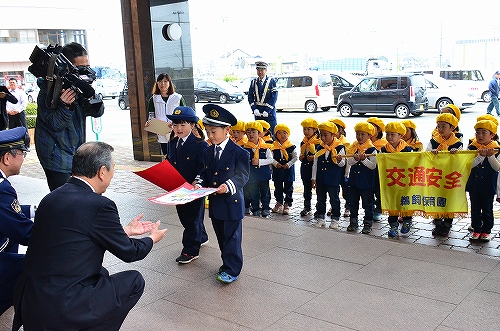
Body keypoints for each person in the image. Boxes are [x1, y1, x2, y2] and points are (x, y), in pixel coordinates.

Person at [12, 141, 167, 331]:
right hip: (63, 303)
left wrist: (123, 231)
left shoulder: (52, 197)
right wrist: (151, 238)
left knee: (102, 273)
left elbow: (75, 234)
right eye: (113, 170)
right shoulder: (99, 205)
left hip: (32, 299)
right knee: (134, 281)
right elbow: (129, 253)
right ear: (102, 172)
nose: (112, 175)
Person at [34, 42, 104, 191]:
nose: (86, 71)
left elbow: (97, 111)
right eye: (81, 68)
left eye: (88, 66)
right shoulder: (49, 90)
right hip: (55, 157)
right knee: (65, 199)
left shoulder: (78, 86)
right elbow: (55, 125)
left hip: (75, 153)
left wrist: (89, 92)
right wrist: (65, 106)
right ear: (67, 68)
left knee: (82, 195)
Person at [195, 104, 250, 284]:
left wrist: (228, 186)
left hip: (232, 203)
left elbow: (243, 176)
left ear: (227, 130)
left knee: (232, 238)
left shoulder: (239, 152)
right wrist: (199, 183)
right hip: (216, 203)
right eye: (208, 132)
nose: (210, 136)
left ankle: (232, 269)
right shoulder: (207, 151)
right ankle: (227, 263)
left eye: (214, 132)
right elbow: (205, 172)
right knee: (221, 236)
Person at [165, 106, 209, 264]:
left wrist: (197, 181)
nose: (178, 128)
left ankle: (190, 250)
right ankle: (201, 236)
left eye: (183, 125)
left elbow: (204, 168)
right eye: (175, 125)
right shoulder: (172, 142)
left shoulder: (200, 145)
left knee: (191, 220)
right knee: (185, 217)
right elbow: (170, 163)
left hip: (194, 190)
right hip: (178, 189)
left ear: (192, 125)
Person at [0, 127, 33, 315]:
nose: (23, 159)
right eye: (21, 154)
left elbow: (8, 212)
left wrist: (37, 210)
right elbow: (24, 233)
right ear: (7, 158)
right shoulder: (2, 188)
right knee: (31, 265)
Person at [426, 113, 463, 237]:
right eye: (438, 126)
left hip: (450, 177)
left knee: (449, 200)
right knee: (437, 198)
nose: (440, 129)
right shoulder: (434, 141)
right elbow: (426, 153)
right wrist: (432, 152)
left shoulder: (457, 143)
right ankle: (437, 222)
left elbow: (461, 160)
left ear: (452, 128)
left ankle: (447, 224)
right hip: (436, 176)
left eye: (443, 126)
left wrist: (456, 153)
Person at [466, 120, 500, 242]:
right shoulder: (472, 147)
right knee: (475, 208)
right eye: (477, 133)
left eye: (483, 133)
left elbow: (497, 168)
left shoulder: (497, 149)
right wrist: (481, 156)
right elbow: (468, 165)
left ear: (492, 135)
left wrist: (490, 156)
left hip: (488, 185)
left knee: (487, 209)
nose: (479, 136)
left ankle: (486, 231)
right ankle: (476, 229)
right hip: (474, 185)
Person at [380, 122, 414, 238]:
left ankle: (407, 220)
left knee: (405, 201)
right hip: (390, 182)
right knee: (392, 203)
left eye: (392, 134)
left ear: (401, 135)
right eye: (387, 134)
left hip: (404, 182)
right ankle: (393, 225)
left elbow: (413, 164)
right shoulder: (384, 149)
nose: (389, 137)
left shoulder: (408, 149)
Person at [312, 121, 345, 229]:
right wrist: (314, 178)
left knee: (334, 199)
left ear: (333, 135)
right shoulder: (319, 147)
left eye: (325, 135)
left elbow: (342, 164)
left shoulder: (339, 147)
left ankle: (335, 218)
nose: (323, 138)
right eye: (321, 135)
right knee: (320, 199)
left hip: (333, 179)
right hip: (321, 178)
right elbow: (315, 164)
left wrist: (340, 160)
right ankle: (321, 218)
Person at [346, 122, 378, 234]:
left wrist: (363, 160)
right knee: (353, 203)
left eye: (362, 134)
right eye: (357, 134)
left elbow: (373, 166)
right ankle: (353, 222)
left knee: (368, 204)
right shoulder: (354, 147)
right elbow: (349, 162)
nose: (359, 137)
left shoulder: (372, 150)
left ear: (369, 136)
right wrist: (355, 159)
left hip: (366, 182)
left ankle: (368, 223)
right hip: (354, 181)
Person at [146, 73, 186, 156]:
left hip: (176, 131)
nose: (162, 84)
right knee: (166, 155)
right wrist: (150, 123)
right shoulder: (153, 99)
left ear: (169, 83)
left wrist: (175, 124)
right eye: (160, 81)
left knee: (178, 155)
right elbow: (151, 115)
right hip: (162, 131)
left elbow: (185, 115)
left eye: (165, 81)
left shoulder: (178, 98)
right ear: (157, 83)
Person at [243, 121, 274, 217]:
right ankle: (255, 209)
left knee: (265, 192)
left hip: (264, 175)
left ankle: (265, 208)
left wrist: (259, 162)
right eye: (248, 132)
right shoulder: (244, 148)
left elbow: (270, 160)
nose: (251, 134)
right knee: (253, 193)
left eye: (253, 132)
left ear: (259, 133)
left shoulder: (265, 147)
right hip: (251, 176)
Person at [270, 124, 297, 215]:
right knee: (278, 188)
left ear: (288, 134)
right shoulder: (273, 147)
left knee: (289, 187)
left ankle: (287, 204)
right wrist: (275, 163)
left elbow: (295, 158)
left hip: (288, 171)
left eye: (284, 133)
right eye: (279, 133)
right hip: (277, 170)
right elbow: (271, 158)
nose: (282, 135)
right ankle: (279, 202)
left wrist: (288, 164)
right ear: (276, 135)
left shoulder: (291, 146)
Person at [299, 118, 321, 217]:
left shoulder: (319, 142)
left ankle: (319, 208)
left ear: (315, 130)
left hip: (316, 170)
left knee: (319, 190)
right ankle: (307, 207)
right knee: (306, 189)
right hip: (305, 169)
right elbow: (301, 154)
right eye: (304, 129)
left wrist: (314, 157)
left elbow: (321, 156)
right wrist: (301, 157)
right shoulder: (303, 142)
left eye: (308, 129)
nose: (306, 132)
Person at [248, 61, 278, 134]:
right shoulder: (253, 82)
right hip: (258, 113)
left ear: (266, 70)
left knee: (271, 134)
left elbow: (274, 97)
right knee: (259, 135)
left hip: (269, 114)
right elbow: (250, 97)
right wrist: (254, 109)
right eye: (258, 70)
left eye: (262, 70)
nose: (260, 72)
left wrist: (267, 110)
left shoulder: (272, 81)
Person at [367, 117, 387, 222]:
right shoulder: (364, 142)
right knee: (368, 191)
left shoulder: (384, 144)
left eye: (372, 127)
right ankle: (369, 209)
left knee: (379, 191)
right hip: (366, 172)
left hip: (379, 172)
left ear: (378, 130)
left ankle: (379, 209)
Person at [329, 118, 351, 217]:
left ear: (341, 130)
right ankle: (334, 206)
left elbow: (348, 160)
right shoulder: (328, 142)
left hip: (343, 170)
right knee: (334, 190)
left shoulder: (345, 144)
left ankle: (348, 206)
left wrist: (347, 173)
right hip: (334, 171)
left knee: (346, 190)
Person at [6, 78, 29, 148]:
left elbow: (24, 103)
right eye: (10, 82)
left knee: (23, 129)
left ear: (16, 83)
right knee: (11, 130)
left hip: (19, 114)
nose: (12, 84)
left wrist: (18, 110)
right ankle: (13, 146)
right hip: (10, 114)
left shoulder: (21, 92)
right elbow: (4, 104)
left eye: (13, 82)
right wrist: (7, 111)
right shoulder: (7, 93)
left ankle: (26, 145)